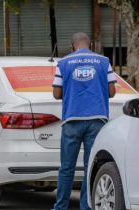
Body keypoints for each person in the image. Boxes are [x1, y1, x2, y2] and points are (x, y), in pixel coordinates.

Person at [52, 32, 116, 210]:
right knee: (90, 168)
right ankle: (85, 206)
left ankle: (60, 207)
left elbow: (56, 93)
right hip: (97, 120)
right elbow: (112, 92)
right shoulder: (104, 61)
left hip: (72, 120)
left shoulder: (63, 63)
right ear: (90, 45)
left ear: (73, 46)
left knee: (66, 168)